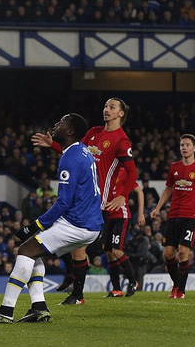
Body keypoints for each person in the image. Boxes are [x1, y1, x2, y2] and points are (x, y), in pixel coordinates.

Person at [0, 113, 102, 323]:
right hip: (91, 224)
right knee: (34, 252)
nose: (56, 124)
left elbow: (63, 203)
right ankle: (39, 308)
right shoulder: (82, 151)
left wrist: (35, 225)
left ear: (69, 131)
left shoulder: (69, 159)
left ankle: (5, 312)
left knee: (25, 250)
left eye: (61, 122)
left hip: (77, 223)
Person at [32, 97, 139, 303]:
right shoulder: (93, 133)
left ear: (121, 114)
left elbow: (132, 173)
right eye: (106, 106)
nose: (107, 110)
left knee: (74, 244)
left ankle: (77, 291)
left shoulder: (121, 140)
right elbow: (73, 152)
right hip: (80, 194)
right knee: (66, 239)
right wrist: (52, 144)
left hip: (97, 201)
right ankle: (73, 278)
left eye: (112, 107)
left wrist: (121, 196)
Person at [150, 134, 195, 299]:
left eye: (187, 145)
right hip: (173, 214)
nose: (184, 147)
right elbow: (169, 189)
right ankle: (176, 284)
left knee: (183, 252)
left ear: (194, 148)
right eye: (182, 145)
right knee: (168, 254)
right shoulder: (174, 167)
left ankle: (180, 291)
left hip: (191, 215)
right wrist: (157, 208)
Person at [103, 168, 146, 297]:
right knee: (109, 253)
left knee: (117, 251)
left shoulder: (125, 171)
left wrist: (140, 214)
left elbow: (139, 192)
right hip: (108, 216)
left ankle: (133, 282)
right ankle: (117, 289)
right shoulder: (105, 172)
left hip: (121, 216)